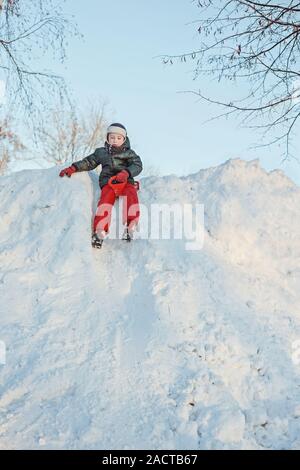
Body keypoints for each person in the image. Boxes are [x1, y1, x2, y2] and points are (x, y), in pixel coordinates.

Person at [59, 123, 143, 248]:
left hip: (125, 181)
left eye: (119, 138)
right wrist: (74, 167)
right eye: (112, 137)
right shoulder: (101, 152)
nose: (115, 140)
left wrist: (126, 172)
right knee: (105, 201)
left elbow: (138, 165)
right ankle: (100, 231)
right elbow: (89, 162)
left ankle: (131, 225)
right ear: (107, 138)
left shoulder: (129, 153)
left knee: (131, 194)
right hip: (108, 182)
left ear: (124, 140)